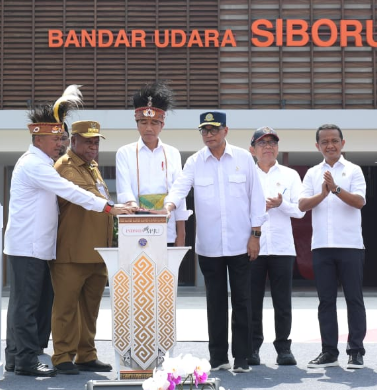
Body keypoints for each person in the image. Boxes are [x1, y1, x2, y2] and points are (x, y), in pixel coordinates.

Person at [3, 86, 133, 377]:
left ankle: (16, 357)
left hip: (39, 246)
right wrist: (110, 208)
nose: (59, 144)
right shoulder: (36, 165)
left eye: (61, 138)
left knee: (27, 305)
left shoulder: (45, 162)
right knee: (27, 307)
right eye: (55, 139)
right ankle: (24, 359)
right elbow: (71, 192)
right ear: (38, 138)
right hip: (29, 246)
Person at [164, 111, 267, 373]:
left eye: (214, 130)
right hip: (209, 246)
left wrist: (255, 236)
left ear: (225, 131)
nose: (209, 135)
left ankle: (242, 357)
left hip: (241, 243)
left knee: (242, 301)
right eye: (204, 131)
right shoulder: (195, 161)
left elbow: (256, 199)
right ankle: (219, 357)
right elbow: (180, 187)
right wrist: (169, 205)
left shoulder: (244, 158)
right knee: (216, 302)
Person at [51, 120, 132, 375]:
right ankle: (63, 355)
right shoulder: (65, 167)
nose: (93, 146)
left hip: (98, 252)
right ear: (73, 141)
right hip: (72, 252)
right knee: (66, 308)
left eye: (96, 141)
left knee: (90, 308)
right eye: (87, 141)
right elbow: (83, 199)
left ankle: (86, 354)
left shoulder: (93, 168)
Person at [298, 124, 367, 369]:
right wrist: (323, 194)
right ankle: (329, 352)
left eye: (334, 140)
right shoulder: (312, 173)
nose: (330, 145)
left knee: (354, 299)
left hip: (350, 246)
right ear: (317, 146)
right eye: (325, 141)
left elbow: (359, 202)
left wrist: (336, 189)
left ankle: (356, 351)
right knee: (325, 301)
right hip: (322, 247)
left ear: (342, 143)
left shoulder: (354, 170)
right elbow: (303, 205)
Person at [246, 126, 305, 367]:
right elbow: (239, 208)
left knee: (282, 301)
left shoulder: (290, 175)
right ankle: (252, 348)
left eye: (272, 142)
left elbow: (300, 211)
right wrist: (260, 209)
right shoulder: (246, 173)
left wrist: (281, 204)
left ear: (278, 148)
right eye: (262, 143)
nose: (268, 146)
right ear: (253, 149)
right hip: (252, 246)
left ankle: (284, 348)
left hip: (282, 247)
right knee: (252, 300)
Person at [116, 80, 189, 245]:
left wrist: (181, 234)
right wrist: (137, 210)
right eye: (144, 122)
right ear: (137, 125)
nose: (149, 128)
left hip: (167, 232)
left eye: (154, 123)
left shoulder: (173, 153)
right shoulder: (124, 152)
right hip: (134, 229)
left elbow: (179, 193)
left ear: (162, 125)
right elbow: (123, 190)